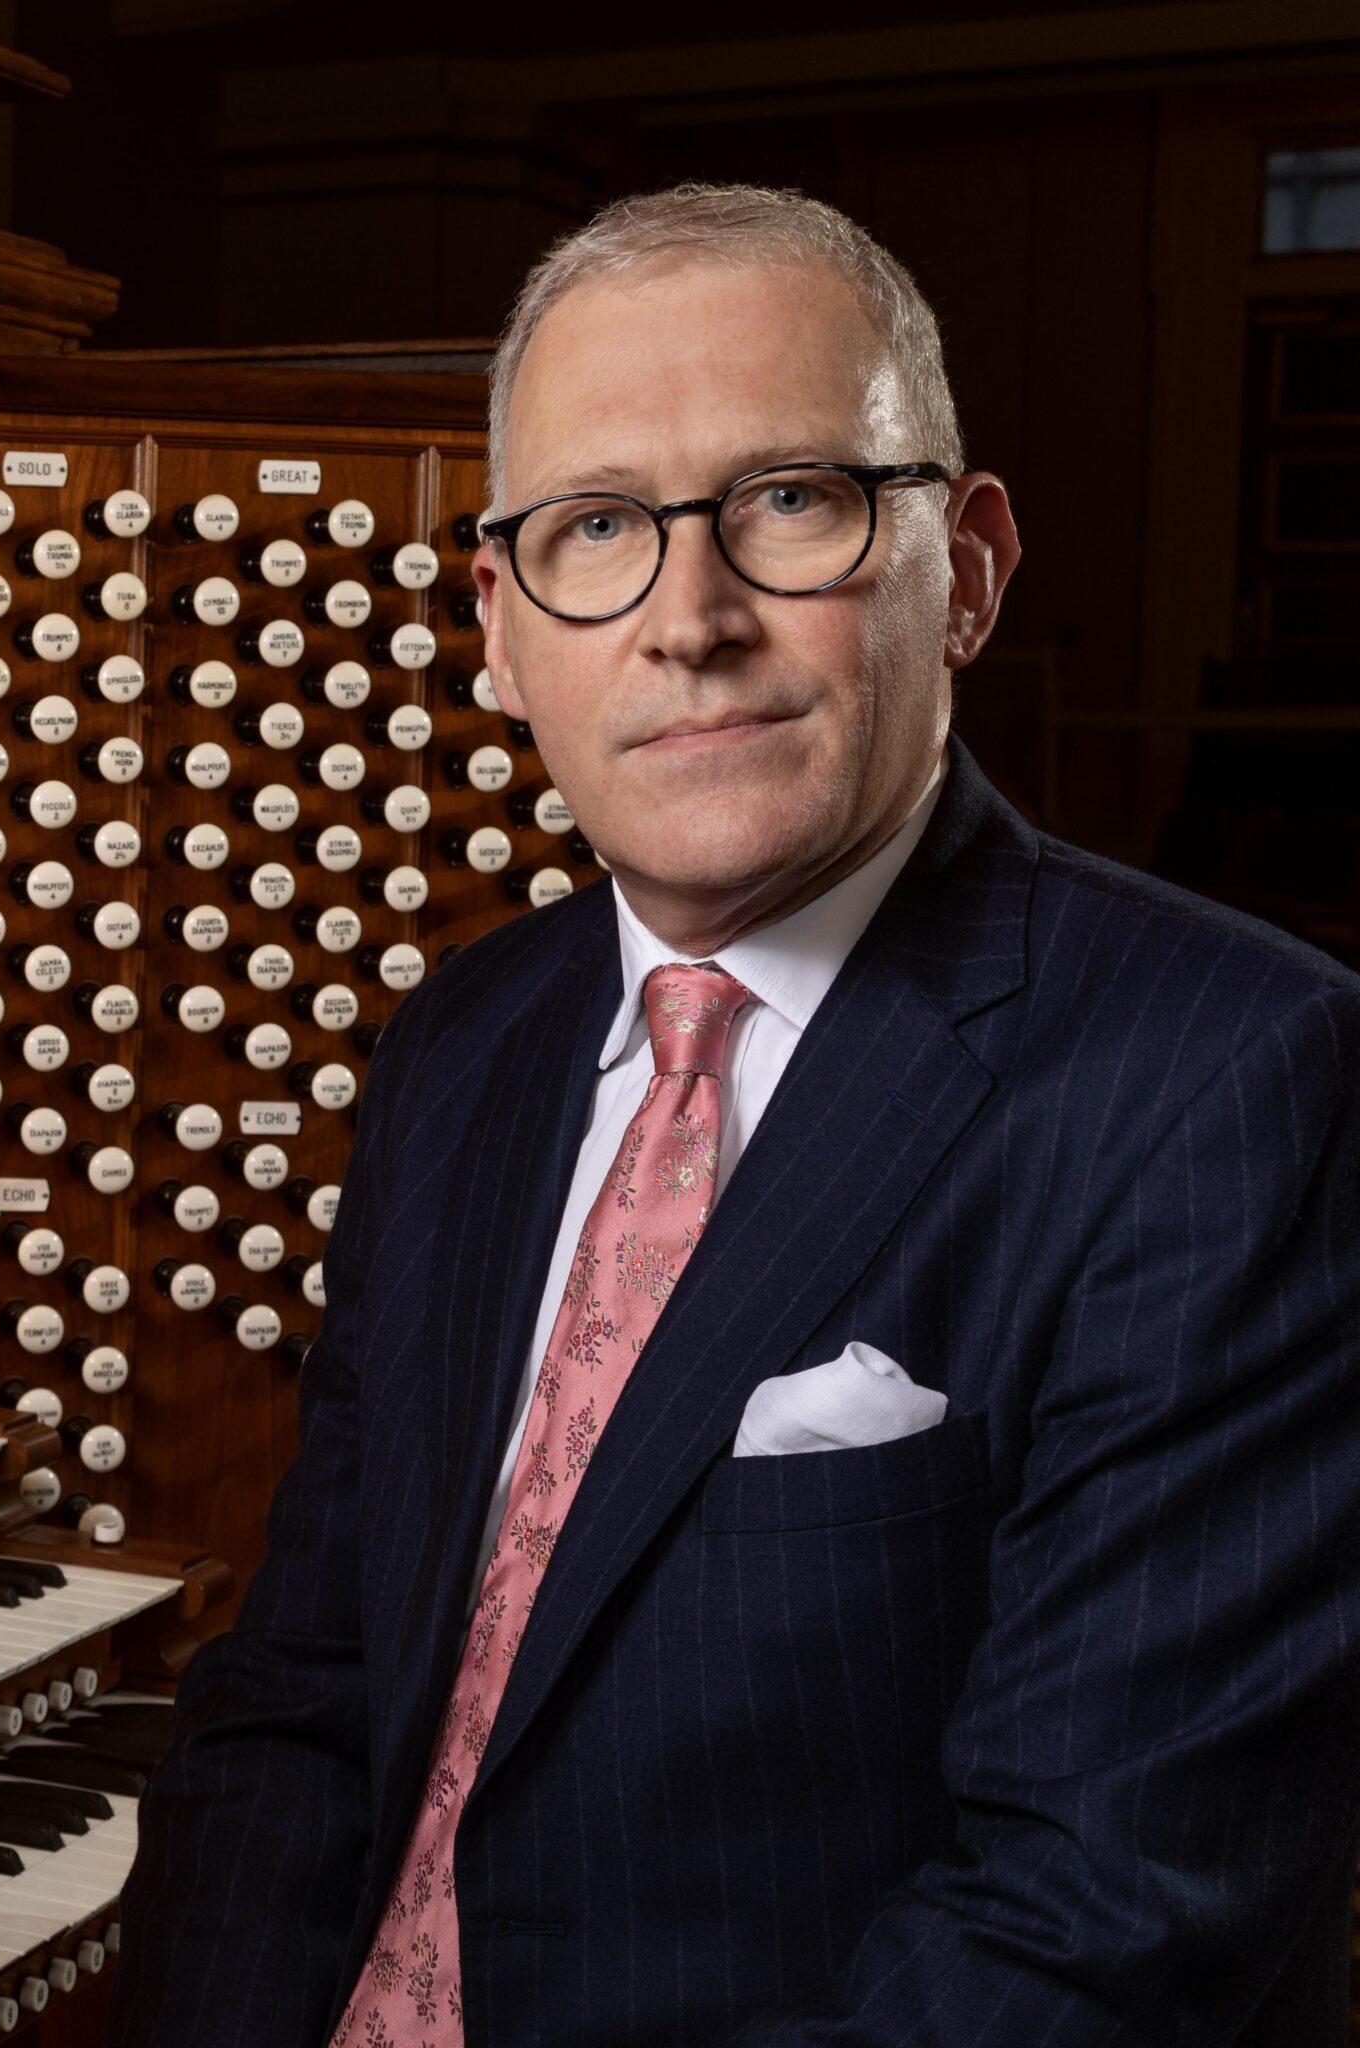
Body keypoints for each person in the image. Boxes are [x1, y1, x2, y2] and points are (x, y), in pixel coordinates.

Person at [109, 182, 1360, 2047]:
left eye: (791, 501)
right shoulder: (469, 1035)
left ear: (975, 568)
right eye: (597, 526)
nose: (687, 620)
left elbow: (1099, 1922)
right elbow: (305, 1688)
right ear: (501, 629)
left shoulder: (1233, 1075)